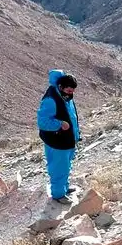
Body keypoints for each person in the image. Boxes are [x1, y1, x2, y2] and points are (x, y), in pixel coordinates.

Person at [37, 70, 80, 204]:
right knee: (58, 167)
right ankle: (58, 194)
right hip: (57, 141)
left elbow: (72, 117)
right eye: (69, 90)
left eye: (72, 90)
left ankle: (64, 188)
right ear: (60, 86)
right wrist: (59, 124)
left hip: (67, 140)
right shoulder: (51, 100)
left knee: (66, 165)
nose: (71, 93)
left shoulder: (65, 96)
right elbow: (42, 122)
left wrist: (76, 135)